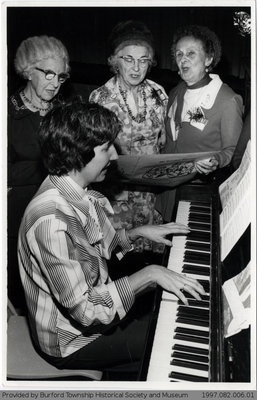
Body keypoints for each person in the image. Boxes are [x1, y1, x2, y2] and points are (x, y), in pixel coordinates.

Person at [18, 99, 205, 378]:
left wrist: (137, 233)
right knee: (171, 336)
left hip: (92, 309)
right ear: (77, 154)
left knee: (163, 317)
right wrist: (149, 275)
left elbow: (95, 248)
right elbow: (87, 311)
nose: (115, 156)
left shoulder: (76, 189)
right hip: (71, 341)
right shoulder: (50, 223)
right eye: (106, 148)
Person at [89, 20, 168, 255]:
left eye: (143, 60)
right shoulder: (100, 99)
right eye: (128, 59)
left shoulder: (159, 94)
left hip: (151, 194)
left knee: (151, 256)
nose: (136, 67)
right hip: (116, 197)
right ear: (115, 61)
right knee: (119, 258)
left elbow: (162, 143)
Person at [156, 25, 243, 222]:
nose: (183, 59)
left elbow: (233, 151)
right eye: (179, 54)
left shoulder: (227, 100)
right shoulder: (176, 92)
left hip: (195, 194)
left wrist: (216, 161)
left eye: (191, 53)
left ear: (209, 59)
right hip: (166, 189)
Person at [8, 35, 70, 309]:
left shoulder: (63, 112)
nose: (55, 84)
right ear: (27, 71)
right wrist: (52, 167)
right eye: (48, 74)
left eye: (61, 76)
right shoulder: (9, 114)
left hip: (60, 211)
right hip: (19, 215)